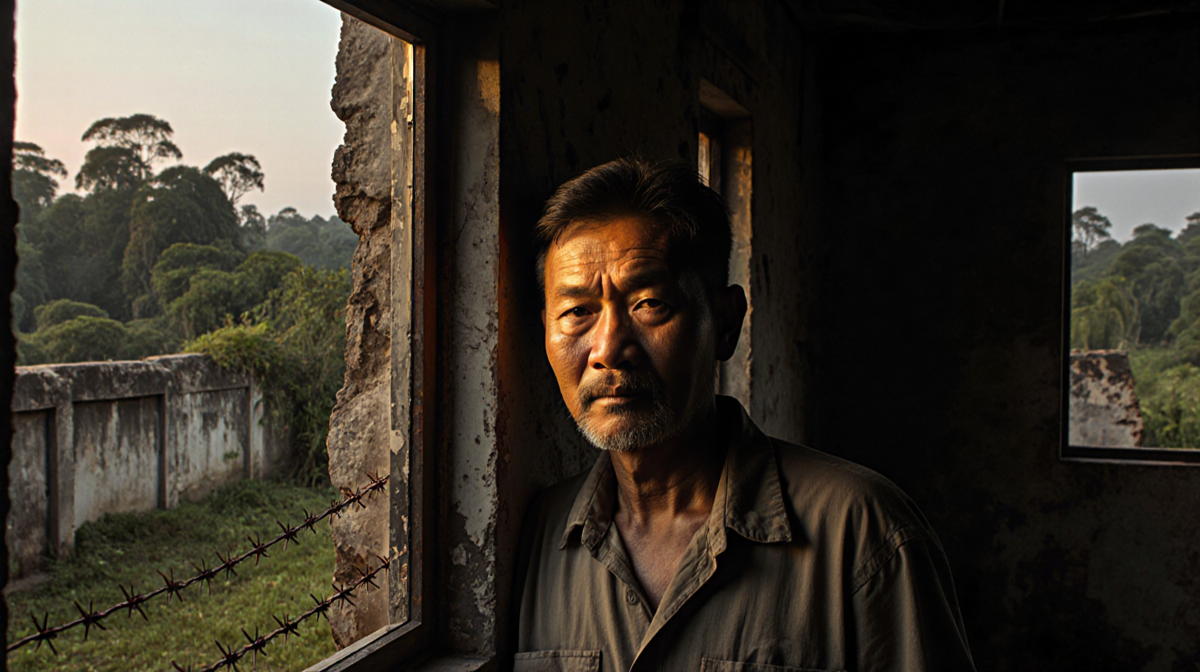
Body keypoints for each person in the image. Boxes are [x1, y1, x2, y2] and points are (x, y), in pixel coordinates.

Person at [514, 157, 976, 672]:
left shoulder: (863, 533)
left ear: (727, 323)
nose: (608, 348)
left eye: (649, 304)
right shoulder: (539, 536)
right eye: (577, 312)